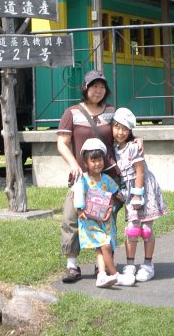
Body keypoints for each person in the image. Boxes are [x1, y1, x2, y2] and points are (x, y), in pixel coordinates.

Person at [56, 69, 118, 283]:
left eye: (101, 86)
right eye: (93, 86)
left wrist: (136, 140)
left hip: (107, 177)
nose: (98, 90)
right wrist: (75, 166)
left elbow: (123, 134)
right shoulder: (72, 113)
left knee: (106, 220)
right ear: (85, 88)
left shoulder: (112, 111)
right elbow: (62, 143)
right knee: (72, 218)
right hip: (82, 180)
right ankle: (72, 266)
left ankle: (104, 264)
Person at [112, 107, 168, 285]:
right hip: (129, 190)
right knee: (132, 229)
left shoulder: (133, 148)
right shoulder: (113, 148)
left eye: (125, 129)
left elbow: (140, 171)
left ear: (130, 131)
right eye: (117, 127)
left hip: (143, 189)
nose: (120, 132)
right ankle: (130, 265)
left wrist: (137, 195)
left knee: (146, 229)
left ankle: (148, 264)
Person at [71, 138, 123, 288]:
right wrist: (80, 210)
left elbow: (114, 195)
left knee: (102, 248)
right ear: (86, 162)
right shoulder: (83, 180)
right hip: (90, 220)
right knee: (105, 245)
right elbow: (77, 196)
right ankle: (114, 274)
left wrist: (111, 207)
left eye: (99, 160)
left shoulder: (106, 179)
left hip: (105, 220)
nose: (97, 163)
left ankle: (101, 275)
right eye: (93, 161)